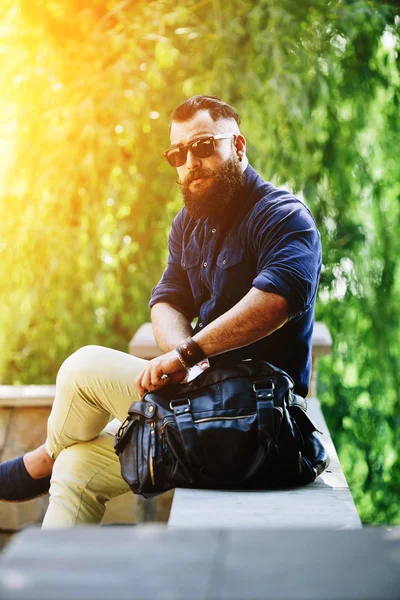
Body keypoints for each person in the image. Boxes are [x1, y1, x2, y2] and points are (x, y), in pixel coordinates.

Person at [0, 95, 321, 526]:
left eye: (204, 145)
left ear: (239, 146)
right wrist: (182, 359)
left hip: (256, 419)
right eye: (178, 153)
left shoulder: (282, 216)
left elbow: (275, 300)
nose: (191, 161)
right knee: (77, 471)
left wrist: (188, 356)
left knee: (82, 368)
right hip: (200, 406)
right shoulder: (188, 224)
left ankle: (42, 458)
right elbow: (167, 299)